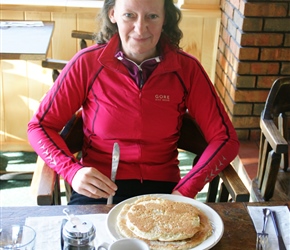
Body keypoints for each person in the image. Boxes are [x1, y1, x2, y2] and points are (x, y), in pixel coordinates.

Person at [27, 0, 239, 205]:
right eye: (129, 15)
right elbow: (39, 126)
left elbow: (226, 139)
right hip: (99, 188)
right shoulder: (86, 63)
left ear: (165, 18)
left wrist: (188, 188)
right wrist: (71, 171)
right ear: (113, 14)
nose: (140, 28)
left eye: (152, 16)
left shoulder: (188, 69)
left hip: (166, 191)